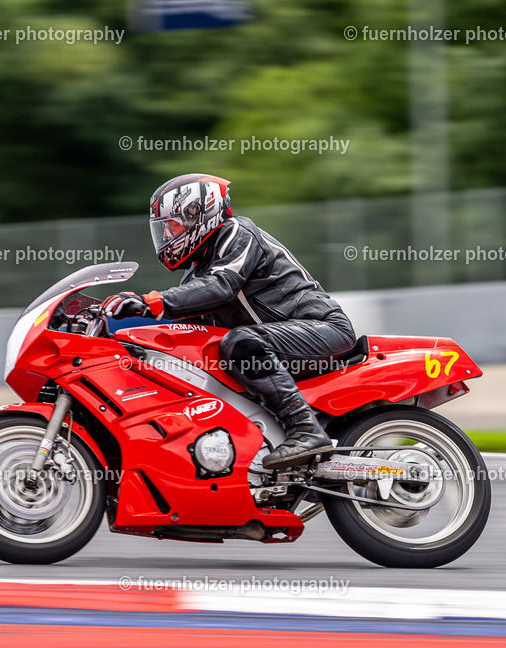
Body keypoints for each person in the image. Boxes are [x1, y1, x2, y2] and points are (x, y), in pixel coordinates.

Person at [102, 173, 356, 469]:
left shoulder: (237, 233)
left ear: (198, 213)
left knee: (241, 342)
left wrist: (153, 301)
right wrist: (119, 326)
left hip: (322, 328)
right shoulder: (197, 273)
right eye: (164, 230)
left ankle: (306, 430)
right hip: (280, 341)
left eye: (172, 226)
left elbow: (222, 284)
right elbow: (181, 318)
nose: (168, 237)